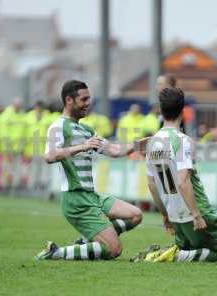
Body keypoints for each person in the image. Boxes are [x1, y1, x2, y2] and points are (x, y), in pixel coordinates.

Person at [36, 80, 147, 261]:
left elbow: (114, 151)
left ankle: (87, 241)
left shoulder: (86, 130)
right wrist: (81, 147)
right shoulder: (58, 126)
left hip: (92, 196)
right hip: (75, 199)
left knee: (135, 215)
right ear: (69, 100)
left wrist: (137, 145)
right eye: (84, 99)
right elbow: (49, 156)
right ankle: (56, 252)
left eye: (89, 99)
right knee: (113, 250)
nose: (88, 104)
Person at [140, 87, 217, 263]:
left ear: (160, 110)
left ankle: (177, 252)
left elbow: (152, 185)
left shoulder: (151, 143)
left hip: (173, 211)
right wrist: (197, 215)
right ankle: (175, 255)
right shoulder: (182, 140)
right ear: (183, 112)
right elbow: (183, 181)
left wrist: (165, 215)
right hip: (194, 210)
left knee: (194, 250)